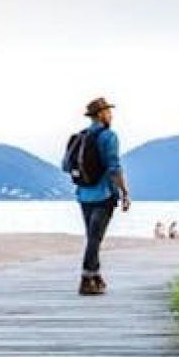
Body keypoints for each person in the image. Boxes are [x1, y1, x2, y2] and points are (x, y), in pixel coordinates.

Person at [64, 96, 131, 295]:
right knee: (95, 238)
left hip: (83, 195)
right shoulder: (109, 136)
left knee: (93, 237)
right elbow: (114, 167)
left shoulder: (80, 137)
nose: (111, 115)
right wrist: (125, 192)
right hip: (104, 194)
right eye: (109, 112)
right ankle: (86, 279)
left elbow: (66, 165)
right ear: (102, 114)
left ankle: (96, 276)